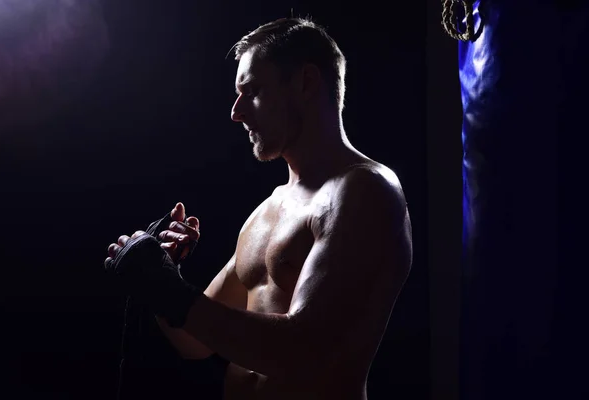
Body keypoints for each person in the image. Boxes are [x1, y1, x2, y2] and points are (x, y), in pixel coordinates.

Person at [105, 17, 413, 400]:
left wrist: (172, 292)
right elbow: (193, 342)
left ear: (305, 82)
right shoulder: (267, 211)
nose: (236, 112)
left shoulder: (365, 191)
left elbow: (302, 350)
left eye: (251, 91)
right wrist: (161, 276)